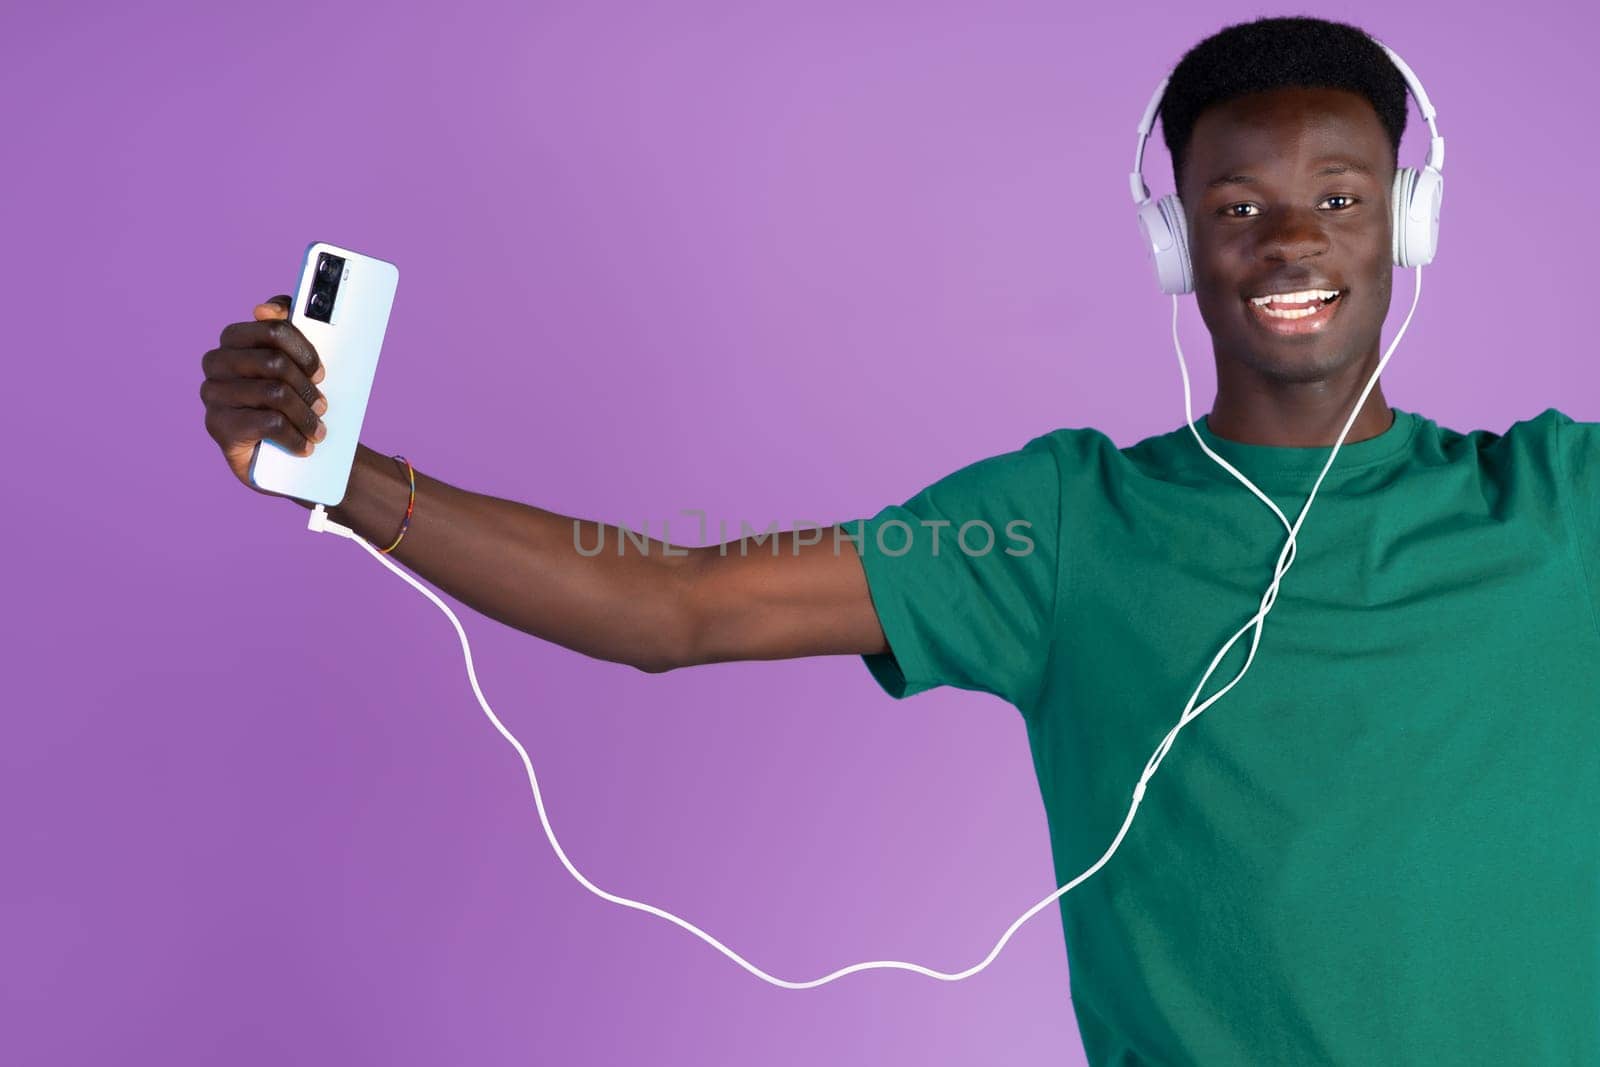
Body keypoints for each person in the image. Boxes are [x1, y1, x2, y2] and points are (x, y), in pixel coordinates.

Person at [199, 15, 1600, 1064]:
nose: (1292, 241)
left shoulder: (1556, 502)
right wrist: (350, 480)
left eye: (1342, 199)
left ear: (1408, 222)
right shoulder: (1067, 528)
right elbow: (679, 606)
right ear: (1176, 241)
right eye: (1238, 208)